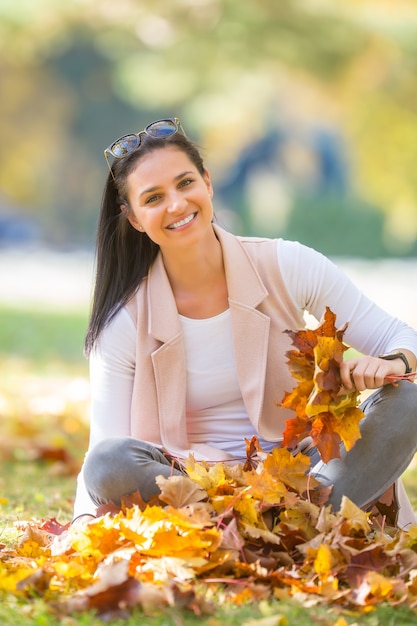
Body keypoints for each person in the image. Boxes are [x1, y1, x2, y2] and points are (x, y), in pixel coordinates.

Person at [73, 117, 417, 529]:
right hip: (193, 488)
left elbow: (398, 337)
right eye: (153, 198)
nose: (177, 205)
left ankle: (281, 526)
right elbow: (104, 451)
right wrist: (82, 530)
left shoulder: (286, 264)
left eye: (185, 184)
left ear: (208, 183)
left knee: (408, 399)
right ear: (133, 219)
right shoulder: (123, 322)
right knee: (108, 463)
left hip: (307, 477)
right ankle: (276, 532)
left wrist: (395, 362)